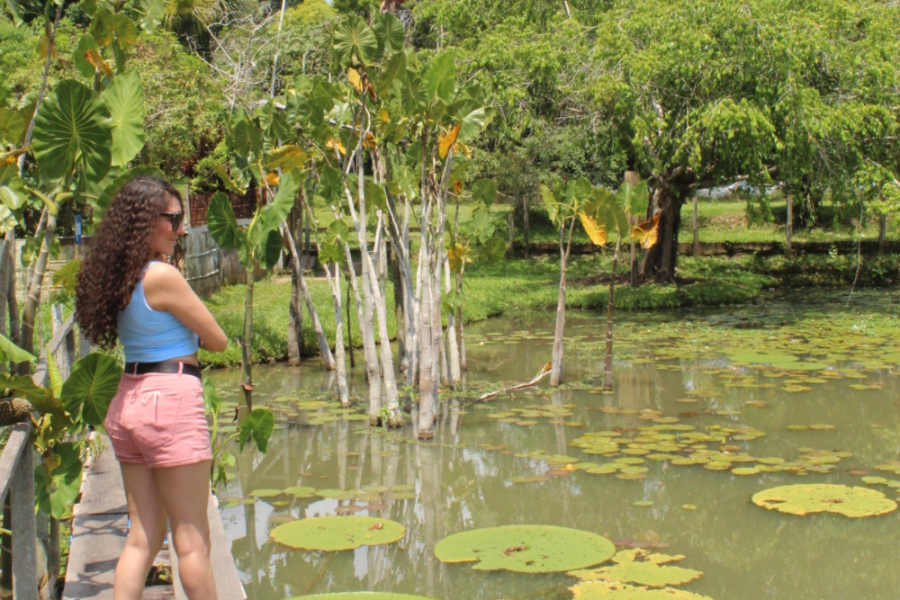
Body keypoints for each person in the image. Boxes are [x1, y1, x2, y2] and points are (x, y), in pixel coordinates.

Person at [75, 176, 228, 600]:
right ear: (146, 221)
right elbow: (217, 340)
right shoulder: (161, 276)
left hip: (129, 400)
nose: (182, 229)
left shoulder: (119, 278)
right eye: (174, 220)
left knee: (142, 539)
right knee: (192, 540)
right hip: (170, 401)